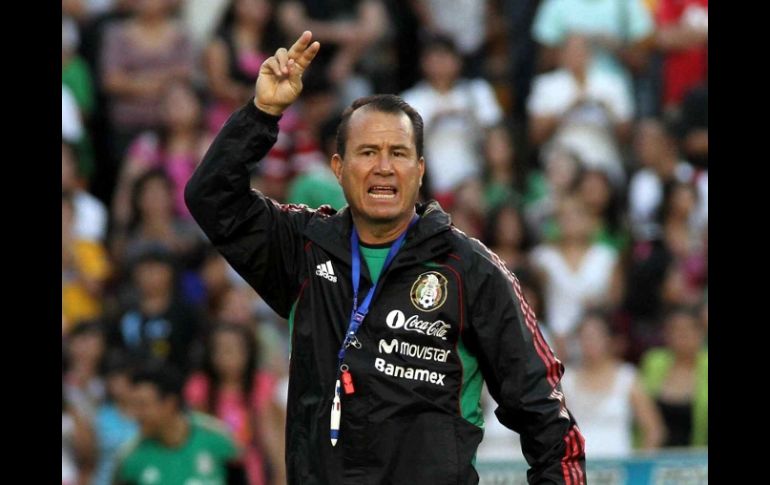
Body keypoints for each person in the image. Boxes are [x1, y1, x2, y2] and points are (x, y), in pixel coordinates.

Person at [185, 32, 586, 484]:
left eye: (398, 154)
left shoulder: (471, 269)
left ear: (419, 170)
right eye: (367, 152)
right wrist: (263, 113)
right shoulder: (303, 246)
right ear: (338, 168)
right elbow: (210, 198)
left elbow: (545, 414)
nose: (383, 167)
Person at [112, 363, 245, 485]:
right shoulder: (131, 457)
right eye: (134, 406)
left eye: (143, 405)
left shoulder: (218, 439)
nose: (136, 415)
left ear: (170, 404)